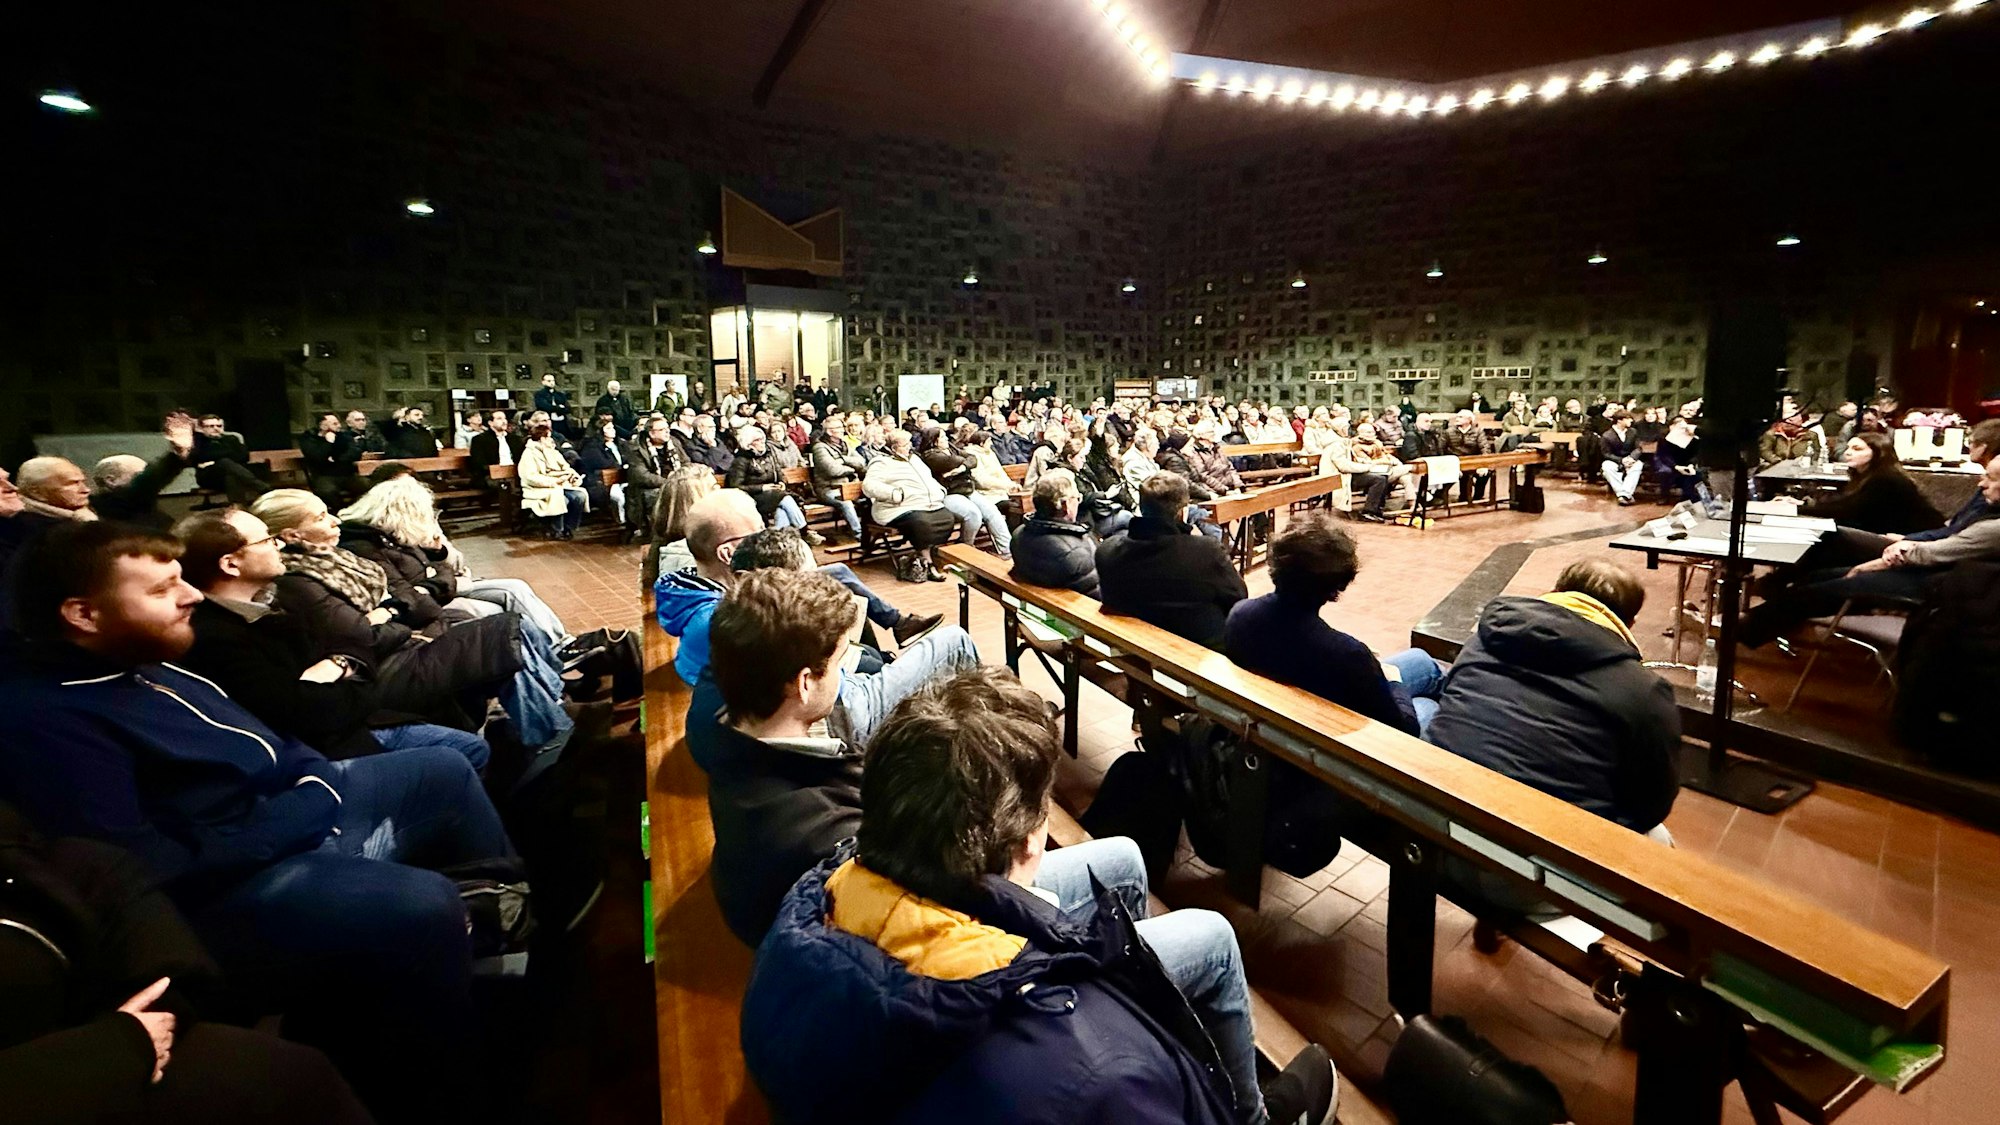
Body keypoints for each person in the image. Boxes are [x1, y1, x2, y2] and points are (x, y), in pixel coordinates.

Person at [0, 522, 515, 1119]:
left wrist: (311, 789)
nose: (192, 595)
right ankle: (448, 1085)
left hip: (289, 812)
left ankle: (499, 917)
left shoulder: (148, 662)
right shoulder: (42, 720)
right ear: (84, 614)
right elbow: (137, 865)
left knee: (444, 767)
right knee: (417, 905)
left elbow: (281, 745)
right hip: (224, 889)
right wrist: (301, 813)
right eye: (164, 590)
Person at [740, 664, 1340, 1125]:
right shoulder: (1104, 1077)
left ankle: (1115, 979)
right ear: (1031, 841)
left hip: (884, 1014)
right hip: (1037, 1058)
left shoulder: (813, 898)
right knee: (1210, 936)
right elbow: (1097, 1083)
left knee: (1123, 857)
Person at [0, 799, 376, 1125]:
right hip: (79, 1063)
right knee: (406, 915)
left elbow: (64, 857)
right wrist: (113, 1049)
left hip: (115, 1000)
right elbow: (149, 846)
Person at [248, 489, 580, 756]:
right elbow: (362, 635)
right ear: (293, 534)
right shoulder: (298, 579)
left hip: (401, 647)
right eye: (321, 517)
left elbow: (409, 601)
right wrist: (399, 616)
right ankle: (550, 737)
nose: (335, 521)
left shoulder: (337, 558)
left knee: (504, 631)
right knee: (500, 639)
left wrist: (393, 611)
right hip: (379, 672)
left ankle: (552, 718)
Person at [173, 508, 492, 768]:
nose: (279, 546)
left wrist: (336, 664)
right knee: (463, 754)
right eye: (268, 540)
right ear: (230, 564)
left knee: (489, 649)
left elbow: (349, 645)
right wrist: (346, 667)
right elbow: (309, 712)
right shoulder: (217, 637)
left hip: (358, 710)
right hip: (330, 750)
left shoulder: (272, 600)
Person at [1428, 559, 1680, 840]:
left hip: (1436, 816)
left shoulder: (1487, 636)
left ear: (1556, 592)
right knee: (1657, 837)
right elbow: (1652, 804)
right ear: (1630, 622)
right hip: (1543, 860)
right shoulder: (1643, 690)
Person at [1742, 456, 2000, 647]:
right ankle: (1766, 616)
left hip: (1933, 585)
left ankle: (1741, 633)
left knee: (1816, 585)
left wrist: (1893, 554)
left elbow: (1937, 553)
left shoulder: (1994, 528)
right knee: (1817, 576)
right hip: (1927, 566)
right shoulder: (1989, 510)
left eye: (1991, 478)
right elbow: (1948, 534)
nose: (1981, 484)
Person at [1226, 512, 1444, 733]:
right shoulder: (1348, 655)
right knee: (1430, 706)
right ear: (1338, 584)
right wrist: (1394, 681)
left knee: (1421, 660)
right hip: (1337, 745)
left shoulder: (1240, 615)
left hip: (1280, 719)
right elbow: (1404, 729)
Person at [1098, 472, 1246, 651]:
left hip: (1134, 646)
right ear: (1182, 512)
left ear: (1142, 508)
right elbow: (1239, 595)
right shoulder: (1205, 551)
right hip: (1199, 651)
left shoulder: (1107, 550)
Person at [1771, 432, 1943, 536]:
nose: (1848, 453)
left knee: (1828, 536)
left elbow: (1848, 510)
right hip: (1888, 532)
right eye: (1848, 448)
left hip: (1910, 538)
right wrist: (1803, 504)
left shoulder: (1886, 479)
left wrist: (1797, 509)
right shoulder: (1867, 476)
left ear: (1877, 454)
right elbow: (1846, 502)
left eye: (1857, 449)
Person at [863, 428, 961, 583]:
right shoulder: (881, 462)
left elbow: (928, 479)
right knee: (921, 523)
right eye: (904, 444)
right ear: (893, 448)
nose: (909, 446)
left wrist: (939, 490)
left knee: (947, 517)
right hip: (898, 507)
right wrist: (895, 494)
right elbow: (869, 486)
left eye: (909, 443)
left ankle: (926, 554)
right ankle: (928, 563)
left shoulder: (915, 459)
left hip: (926, 503)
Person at [89, 412, 195, 531]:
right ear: (111, 480)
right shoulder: (114, 506)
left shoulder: (141, 508)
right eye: (139, 475)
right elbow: (147, 482)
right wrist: (176, 456)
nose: (145, 477)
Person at [920, 424, 1011, 558]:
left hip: (967, 489)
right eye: (943, 437)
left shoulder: (951, 448)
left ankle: (1006, 550)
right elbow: (953, 461)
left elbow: (973, 459)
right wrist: (964, 463)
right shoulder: (930, 456)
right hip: (949, 493)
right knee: (973, 514)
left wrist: (962, 468)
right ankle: (966, 547)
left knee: (991, 511)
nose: (946, 439)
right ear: (934, 441)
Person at [1010, 468, 1100, 597]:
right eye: (1077, 498)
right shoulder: (1075, 552)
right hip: (1075, 612)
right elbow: (1097, 593)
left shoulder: (1018, 535)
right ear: (1065, 505)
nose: (1078, 503)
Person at [726, 425, 819, 543]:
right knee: (785, 499)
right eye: (757, 440)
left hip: (774, 494)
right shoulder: (741, 460)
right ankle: (804, 531)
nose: (762, 442)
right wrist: (763, 487)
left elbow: (779, 472)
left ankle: (778, 540)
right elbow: (736, 486)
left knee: (782, 509)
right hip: (754, 496)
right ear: (748, 443)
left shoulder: (769, 454)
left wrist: (781, 482)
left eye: (762, 439)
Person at [519, 420, 589, 539]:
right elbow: (530, 477)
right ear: (542, 439)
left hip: (561, 485)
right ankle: (557, 529)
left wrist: (573, 476)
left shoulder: (554, 452)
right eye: (548, 438)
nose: (552, 441)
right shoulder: (529, 454)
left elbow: (566, 468)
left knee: (579, 496)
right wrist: (553, 482)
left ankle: (569, 527)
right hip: (539, 488)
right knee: (560, 498)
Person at [624, 414, 683, 540]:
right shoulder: (636, 448)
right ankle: (660, 534)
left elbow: (686, 463)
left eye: (667, 428)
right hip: (647, 489)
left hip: (675, 482)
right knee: (658, 496)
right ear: (651, 433)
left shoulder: (674, 443)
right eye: (662, 430)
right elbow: (641, 476)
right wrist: (668, 482)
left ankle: (683, 531)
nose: (667, 432)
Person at [809, 416, 867, 542]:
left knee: (871, 495)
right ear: (830, 431)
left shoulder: (844, 444)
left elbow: (862, 462)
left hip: (848, 486)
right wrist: (852, 469)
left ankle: (873, 529)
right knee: (846, 502)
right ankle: (859, 535)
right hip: (828, 489)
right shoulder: (820, 448)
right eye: (839, 428)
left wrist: (843, 460)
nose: (843, 430)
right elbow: (833, 470)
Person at [190, 413, 266, 504]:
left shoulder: (231, 439)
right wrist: (226, 456)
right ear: (202, 428)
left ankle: (239, 507)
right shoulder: (197, 441)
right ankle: (265, 489)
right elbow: (197, 457)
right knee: (225, 462)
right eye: (211, 426)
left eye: (219, 426)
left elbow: (244, 456)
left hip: (231, 474)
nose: (216, 428)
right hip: (209, 477)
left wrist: (214, 460)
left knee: (231, 475)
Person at [299, 412, 364, 505]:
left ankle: (354, 510)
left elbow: (355, 452)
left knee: (367, 487)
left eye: (338, 423)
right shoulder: (309, 438)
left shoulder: (343, 436)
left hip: (347, 474)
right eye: (335, 424)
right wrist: (329, 443)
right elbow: (317, 457)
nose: (339, 426)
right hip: (324, 475)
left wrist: (337, 459)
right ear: (323, 426)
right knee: (327, 492)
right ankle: (338, 512)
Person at [576, 417, 630, 524]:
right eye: (609, 428)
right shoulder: (591, 447)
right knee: (617, 496)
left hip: (623, 477)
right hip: (601, 481)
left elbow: (628, 459)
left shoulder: (620, 444)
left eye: (613, 428)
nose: (613, 431)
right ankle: (621, 521)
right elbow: (603, 464)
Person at [1443, 410, 1494, 502]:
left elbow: (1485, 448)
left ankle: (1478, 497)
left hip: (1472, 461)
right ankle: (1462, 498)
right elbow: (1441, 449)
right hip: (1455, 462)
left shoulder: (1478, 432)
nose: (1457, 419)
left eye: (1460, 417)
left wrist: (1484, 465)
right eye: (1457, 417)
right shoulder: (1448, 432)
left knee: (1486, 473)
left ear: (1469, 420)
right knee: (1463, 476)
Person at [466, 409, 525, 488]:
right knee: (503, 485)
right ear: (491, 423)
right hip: (491, 476)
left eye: (505, 418)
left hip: (514, 474)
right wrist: (498, 471)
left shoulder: (515, 439)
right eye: (499, 419)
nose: (504, 421)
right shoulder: (479, 440)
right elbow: (478, 463)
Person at [1599, 410, 1646, 505]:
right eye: (1628, 419)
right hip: (1615, 460)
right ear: (1619, 421)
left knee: (1638, 465)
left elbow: (1638, 448)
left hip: (1631, 459)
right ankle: (1625, 494)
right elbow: (1606, 454)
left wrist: (1632, 458)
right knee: (1606, 466)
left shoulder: (1633, 432)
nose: (1631, 421)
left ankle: (1623, 495)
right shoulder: (1607, 436)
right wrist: (1621, 460)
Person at [1757, 407, 1825, 470]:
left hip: (1802, 465)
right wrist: (1778, 461)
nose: (1788, 422)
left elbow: (1817, 452)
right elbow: (1765, 451)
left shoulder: (1811, 435)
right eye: (1786, 420)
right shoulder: (1771, 434)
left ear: (1800, 421)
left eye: (1793, 419)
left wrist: (1807, 461)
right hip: (1776, 465)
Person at [534, 372, 574, 438]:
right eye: (549, 381)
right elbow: (544, 406)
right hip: (548, 422)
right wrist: (559, 408)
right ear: (543, 382)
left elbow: (568, 408)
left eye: (553, 381)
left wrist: (559, 408)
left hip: (562, 422)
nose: (552, 383)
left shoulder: (560, 395)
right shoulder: (540, 394)